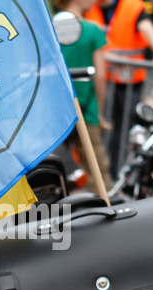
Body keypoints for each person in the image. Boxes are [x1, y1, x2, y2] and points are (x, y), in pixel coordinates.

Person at [85, 0, 153, 179]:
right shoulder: (88, 7)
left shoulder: (132, 6)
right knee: (101, 129)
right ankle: (103, 175)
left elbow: (147, 27)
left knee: (123, 131)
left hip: (129, 82)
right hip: (101, 82)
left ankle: (118, 174)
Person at [54, 0, 113, 193]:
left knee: (55, 167)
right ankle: (106, 211)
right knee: (97, 169)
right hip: (87, 109)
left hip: (56, 111)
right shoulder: (92, 30)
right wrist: (101, 113)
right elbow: (101, 75)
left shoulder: (49, 28)